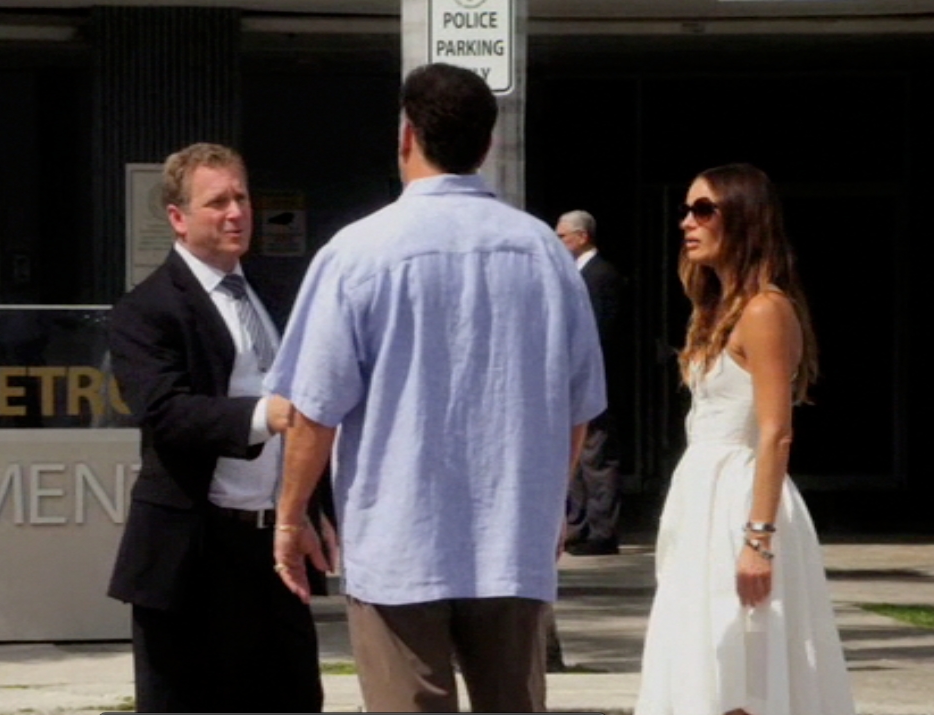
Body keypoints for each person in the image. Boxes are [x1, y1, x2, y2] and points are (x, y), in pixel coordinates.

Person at [265, 62, 607, 713]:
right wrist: (549, 501)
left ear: (405, 137)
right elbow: (575, 407)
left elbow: (314, 409)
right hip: (510, 534)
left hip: (399, 538)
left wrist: (290, 516)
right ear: (485, 145)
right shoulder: (542, 253)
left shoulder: (357, 253)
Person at [105, 142, 324, 713]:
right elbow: (165, 411)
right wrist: (263, 414)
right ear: (178, 218)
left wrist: (305, 510)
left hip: (273, 545)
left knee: (294, 696)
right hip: (192, 551)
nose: (235, 213)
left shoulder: (277, 293)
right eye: (217, 202)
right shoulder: (147, 309)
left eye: (242, 197)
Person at [635, 163, 855, 715]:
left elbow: (776, 431)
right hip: (702, 500)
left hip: (741, 499)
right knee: (706, 662)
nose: (688, 221)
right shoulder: (714, 312)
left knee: (746, 669)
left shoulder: (765, 309)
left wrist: (758, 539)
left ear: (744, 218)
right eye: (687, 209)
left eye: (704, 209)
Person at [556, 209, 626, 556]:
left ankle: (602, 529)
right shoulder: (577, 275)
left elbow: (599, 332)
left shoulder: (600, 275)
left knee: (597, 455)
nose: (559, 243)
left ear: (582, 237)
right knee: (580, 454)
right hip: (577, 380)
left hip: (596, 380)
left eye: (563, 237)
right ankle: (579, 525)